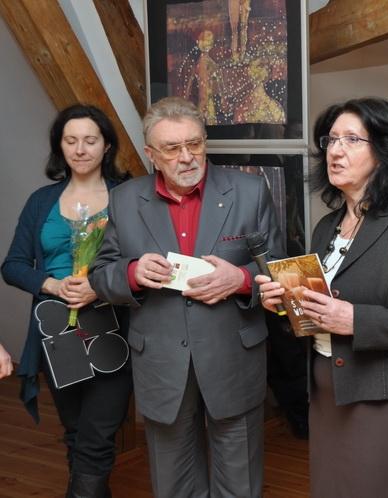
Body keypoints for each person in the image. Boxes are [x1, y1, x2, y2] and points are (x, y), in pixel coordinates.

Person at [256, 97, 388, 498]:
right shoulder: (326, 227)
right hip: (328, 393)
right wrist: (284, 304)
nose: (335, 151)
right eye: (331, 139)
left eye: (352, 139)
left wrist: (356, 320)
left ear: (383, 151)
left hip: (387, 399)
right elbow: (319, 313)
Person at [89, 96, 284, 498]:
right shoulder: (125, 199)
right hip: (161, 363)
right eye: (172, 148)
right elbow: (101, 274)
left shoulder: (249, 191)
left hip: (233, 356)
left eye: (194, 143)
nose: (186, 156)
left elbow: (281, 269)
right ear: (151, 155)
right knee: (174, 483)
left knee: (240, 483)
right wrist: (132, 273)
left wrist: (240, 279)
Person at [1, 104, 133, 497]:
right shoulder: (41, 201)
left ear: (106, 145)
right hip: (56, 335)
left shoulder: (128, 197)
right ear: (60, 146)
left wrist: (99, 285)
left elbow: (141, 264)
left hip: (115, 333)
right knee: (77, 435)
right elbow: (13, 266)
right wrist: (52, 285)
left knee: (96, 437)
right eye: (70, 140)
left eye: (90, 140)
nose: (80, 149)